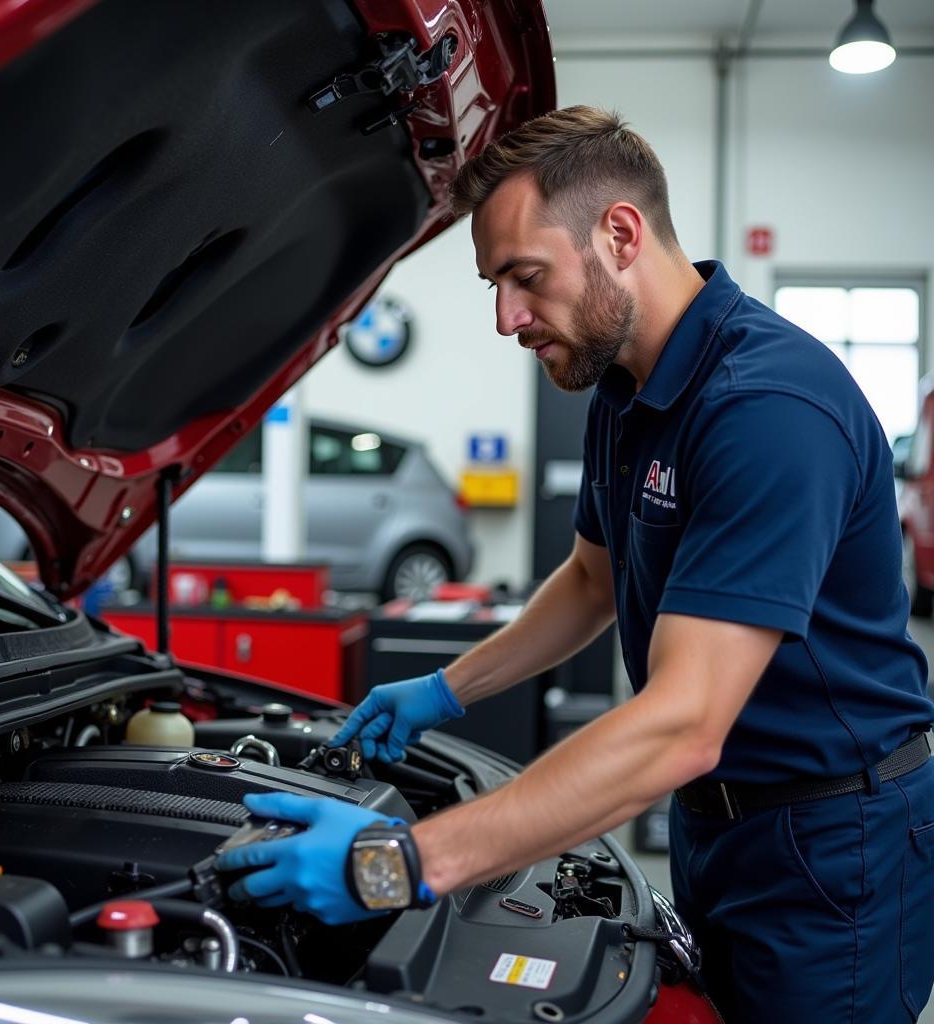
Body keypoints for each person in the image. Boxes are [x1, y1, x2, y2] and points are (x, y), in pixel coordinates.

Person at [216, 106, 934, 1021]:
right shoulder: (626, 387)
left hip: (837, 841)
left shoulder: (769, 410)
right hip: (715, 821)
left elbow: (682, 722)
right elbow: (593, 580)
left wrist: (404, 862)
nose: (509, 317)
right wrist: (445, 688)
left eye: (525, 278)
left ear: (620, 233)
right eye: (495, 287)